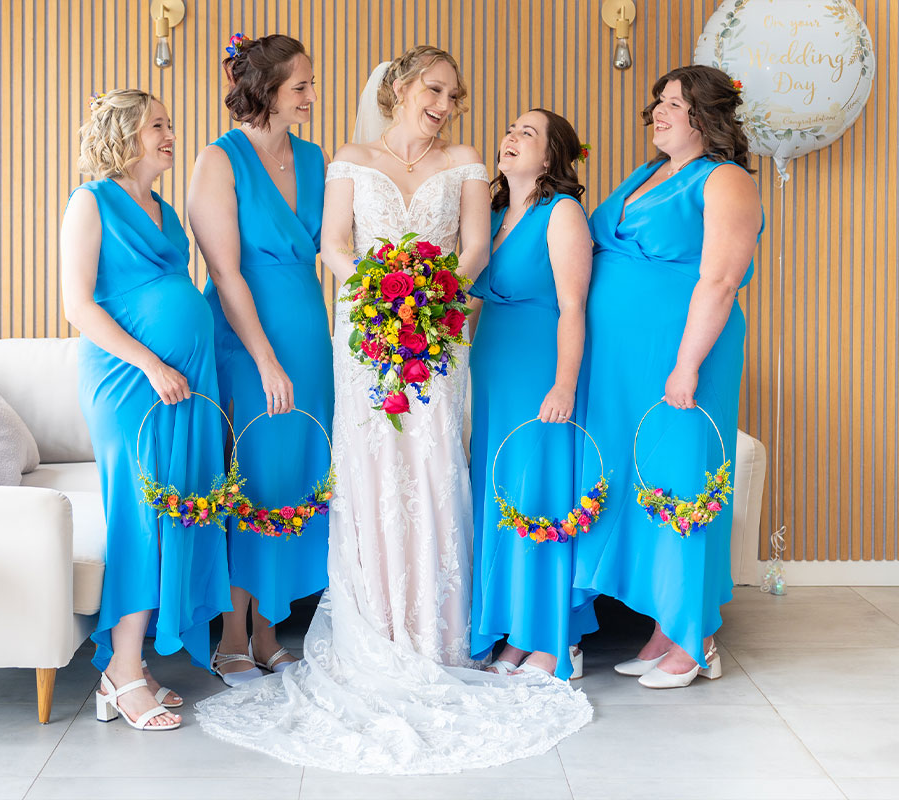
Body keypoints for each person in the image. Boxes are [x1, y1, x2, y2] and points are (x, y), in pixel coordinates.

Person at [196, 47, 592, 773]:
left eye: (454, 94)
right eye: (434, 90)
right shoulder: (346, 158)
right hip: (365, 337)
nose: (444, 105)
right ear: (402, 88)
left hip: (436, 336)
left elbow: (475, 247)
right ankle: (372, 629)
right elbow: (334, 246)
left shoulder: (470, 161)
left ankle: (437, 635)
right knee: (371, 474)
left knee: (435, 469)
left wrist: (430, 290)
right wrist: (382, 289)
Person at [573, 65, 763, 688]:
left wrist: (686, 365)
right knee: (634, 479)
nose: (659, 111)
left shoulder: (726, 179)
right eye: (659, 102)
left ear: (705, 117)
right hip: (620, 364)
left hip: (682, 354)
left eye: (674, 104)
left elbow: (720, 279)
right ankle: (663, 625)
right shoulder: (648, 173)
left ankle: (696, 635)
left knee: (680, 478)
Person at [61, 89, 231, 730]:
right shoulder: (90, 202)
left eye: (169, 123)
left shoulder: (162, 210)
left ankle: (130, 661)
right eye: (158, 125)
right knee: (142, 511)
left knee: (178, 507)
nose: (170, 134)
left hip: (184, 383)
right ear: (126, 133)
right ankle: (121, 670)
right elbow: (79, 306)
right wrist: (152, 362)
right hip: (130, 382)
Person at [187, 34, 333, 686]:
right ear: (267, 90)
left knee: (296, 480)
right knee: (254, 481)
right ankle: (234, 636)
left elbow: (335, 248)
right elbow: (226, 271)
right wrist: (267, 361)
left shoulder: (314, 157)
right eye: (300, 85)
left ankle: (271, 627)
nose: (309, 95)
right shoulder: (219, 161)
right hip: (249, 344)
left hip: (310, 338)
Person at [469, 109, 597, 681]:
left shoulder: (562, 212)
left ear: (550, 157)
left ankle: (549, 638)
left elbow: (574, 307)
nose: (511, 137)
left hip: (540, 372)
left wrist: (564, 384)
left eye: (528, 133)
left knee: (538, 497)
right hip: (491, 372)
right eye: (510, 129)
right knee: (500, 499)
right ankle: (514, 635)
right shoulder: (492, 214)